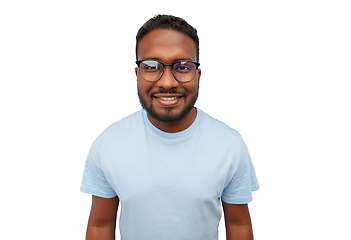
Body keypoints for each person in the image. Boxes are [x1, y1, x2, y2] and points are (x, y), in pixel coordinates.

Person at [81, 14, 259, 240]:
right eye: (152, 66)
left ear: (198, 75)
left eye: (183, 67)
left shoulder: (229, 144)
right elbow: (100, 225)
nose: (167, 82)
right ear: (137, 74)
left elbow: (239, 224)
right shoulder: (108, 143)